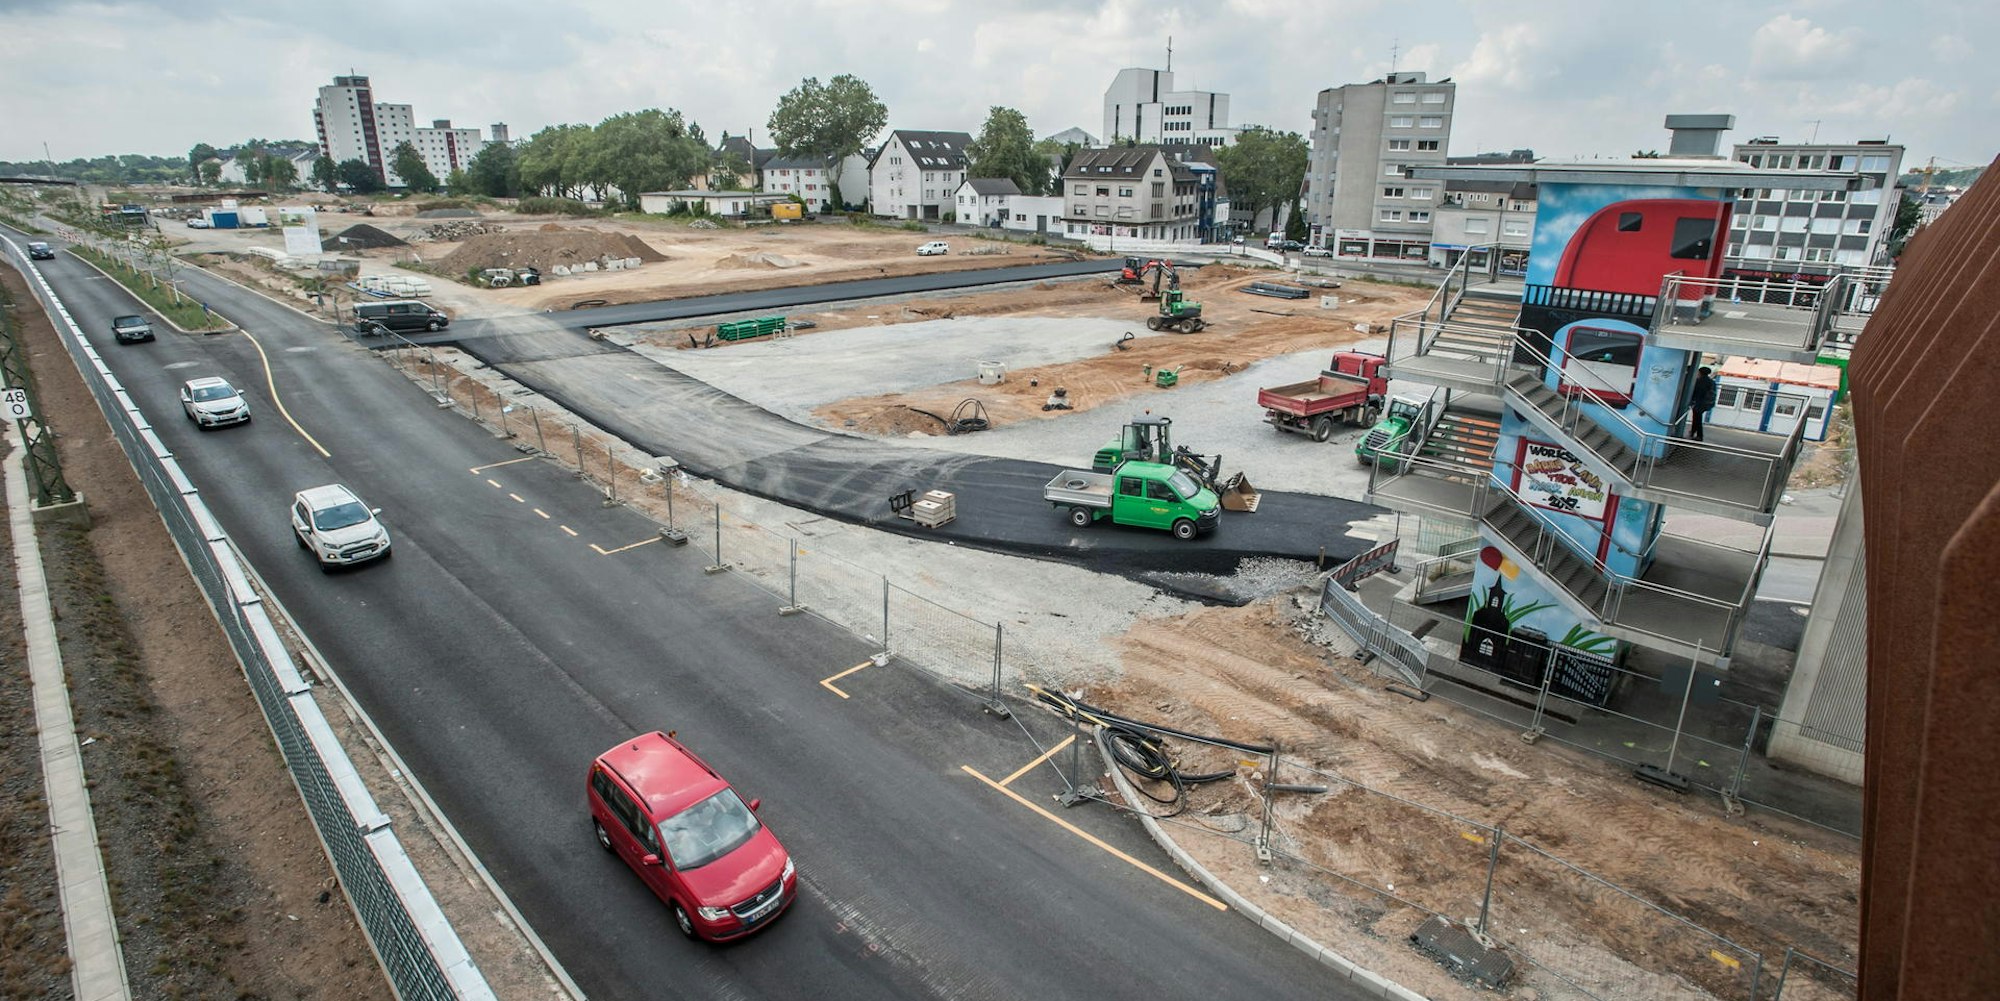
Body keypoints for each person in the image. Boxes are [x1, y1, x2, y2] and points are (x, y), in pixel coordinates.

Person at [1689, 366, 1717, 441]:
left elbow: (1696, 392)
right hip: (1706, 403)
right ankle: (1693, 432)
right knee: (1697, 418)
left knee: (1697, 418)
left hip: (1699, 402)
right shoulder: (1711, 382)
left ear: (1700, 373)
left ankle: (1699, 435)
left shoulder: (1699, 381)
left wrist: (1691, 401)